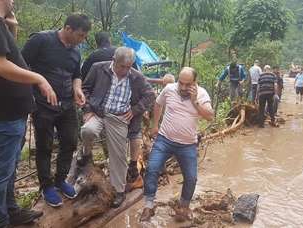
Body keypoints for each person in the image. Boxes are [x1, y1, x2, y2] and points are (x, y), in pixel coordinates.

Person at [0, 0, 58, 226]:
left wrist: (11, 25)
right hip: (4, 112)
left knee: (9, 168)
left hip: (12, 112)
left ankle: (11, 210)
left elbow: (7, 54)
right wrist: (39, 78)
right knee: (1, 172)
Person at [21, 14, 91, 207]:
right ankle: (47, 186)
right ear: (68, 28)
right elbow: (20, 65)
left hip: (67, 104)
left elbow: (76, 75)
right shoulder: (41, 40)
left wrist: (77, 88)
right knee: (44, 145)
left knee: (69, 142)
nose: (82, 40)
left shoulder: (76, 52)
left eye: (84, 36)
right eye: (80, 35)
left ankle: (61, 180)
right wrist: (38, 84)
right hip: (43, 105)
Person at [80, 47, 155, 208]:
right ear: (114, 61)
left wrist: (135, 110)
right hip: (98, 112)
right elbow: (85, 89)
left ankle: (119, 191)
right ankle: (86, 155)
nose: (125, 70)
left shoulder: (136, 76)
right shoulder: (98, 68)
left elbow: (150, 95)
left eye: (129, 67)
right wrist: (87, 109)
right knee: (87, 130)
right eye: (122, 66)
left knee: (119, 155)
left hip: (119, 117)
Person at [140, 67, 214, 222]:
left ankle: (184, 206)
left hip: (187, 144)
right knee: (152, 169)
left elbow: (209, 116)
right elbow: (158, 104)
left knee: (191, 178)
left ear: (195, 82)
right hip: (164, 139)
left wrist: (195, 102)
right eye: (181, 83)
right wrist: (155, 125)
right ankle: (148, 206)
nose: (184, 88)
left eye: (188, 84)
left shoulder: (201, 93)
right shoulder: (169, 89)